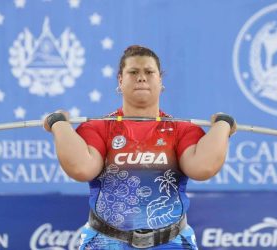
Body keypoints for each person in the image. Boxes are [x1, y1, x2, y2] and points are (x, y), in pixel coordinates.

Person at [44, 45, 236, 250]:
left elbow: (202, 168)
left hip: (171, 243)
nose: (141, 78)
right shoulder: (97, 127)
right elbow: (81, 169)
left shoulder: (182, 129)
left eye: (149, 72)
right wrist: (60, 124)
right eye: (133, 72)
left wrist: (222, 125)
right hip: (105, 243)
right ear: (120, 80)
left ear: (160, 80)